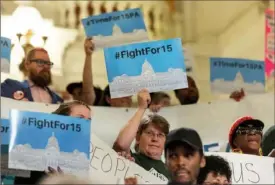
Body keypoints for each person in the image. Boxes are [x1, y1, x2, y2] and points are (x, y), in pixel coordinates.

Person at [13, 100, 92, 184]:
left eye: (89, 120)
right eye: (80, 118)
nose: (85, 123)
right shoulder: (33, 148)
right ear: (61, 120)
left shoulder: (83, 154)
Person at [113, 89, 170, 181]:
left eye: (160, 135)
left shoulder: (172, 172)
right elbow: (121, 144)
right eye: (149, 133)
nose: (155, 138)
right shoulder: (129, 158)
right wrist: (141, 108)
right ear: (138, 137)